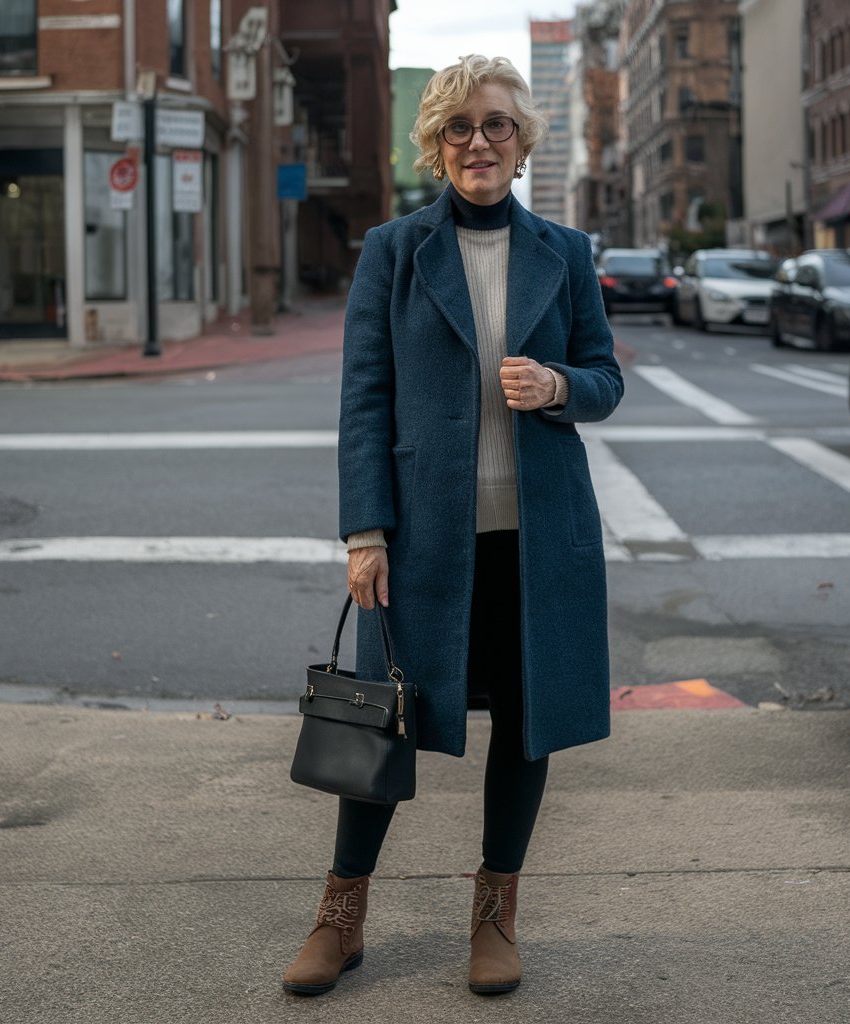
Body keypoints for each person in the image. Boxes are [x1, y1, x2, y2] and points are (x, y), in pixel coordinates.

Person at [283, 53, 623, 998]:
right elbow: (364, 399)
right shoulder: (393, 251)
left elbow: (606, 378)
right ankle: (341, 914)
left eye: (498, 125)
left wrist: (559, 386)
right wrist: (365, 531)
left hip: (538, 535)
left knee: (526, 722)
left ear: (522, 144)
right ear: (437, 145)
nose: (480, 140)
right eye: (461, 127)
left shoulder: (567, 252)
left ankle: (494, 912)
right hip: (422, 538)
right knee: (381, 726)